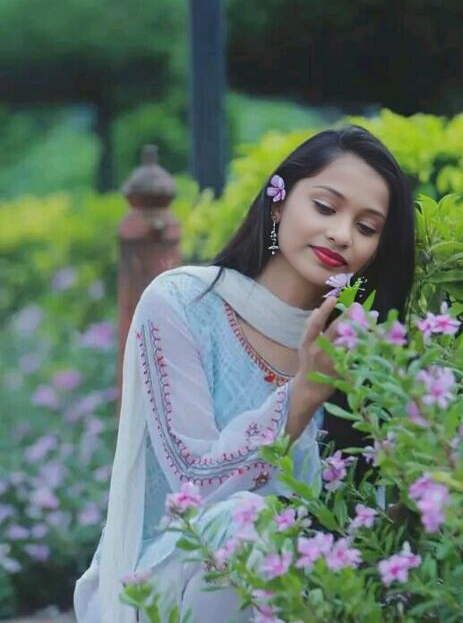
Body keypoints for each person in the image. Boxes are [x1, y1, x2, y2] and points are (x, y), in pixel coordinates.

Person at [74, 125, 416, 622]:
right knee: (249, 523)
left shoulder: (358, 350)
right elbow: (193, 486)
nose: (342, 234)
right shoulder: (182, 304)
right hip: (165, 586)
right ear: (278, 203)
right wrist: (302, 396)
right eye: (325, 207)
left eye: (366, 228)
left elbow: (363, 534)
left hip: (298, 600)